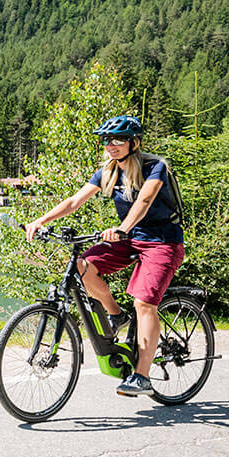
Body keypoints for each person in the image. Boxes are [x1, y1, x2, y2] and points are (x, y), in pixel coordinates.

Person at [25, 116, 185, 397]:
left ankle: (142, 376)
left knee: (144, 303)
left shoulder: (154, 167)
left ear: (134, 143)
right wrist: (41, 220)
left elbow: (145, 200)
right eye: (107, 140)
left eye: (118, 140)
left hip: (162, 242)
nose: (111, 145)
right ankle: (116, 314)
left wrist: (123, 228)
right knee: (82, 266)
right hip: (129, 239)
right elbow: (75, 201)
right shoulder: (108, 171)